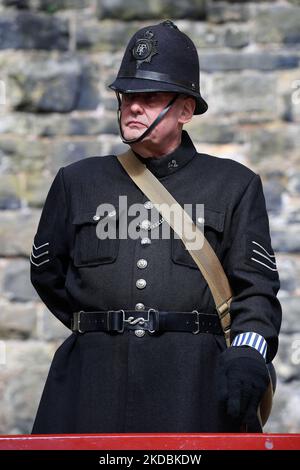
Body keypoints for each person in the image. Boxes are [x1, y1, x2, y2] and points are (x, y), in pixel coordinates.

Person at [30, 20, 282, 434]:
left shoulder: (235, 185)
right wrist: (103, 328)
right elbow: (48, 275)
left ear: (185, 110)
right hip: (91, 385)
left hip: (194, 384)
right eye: (127, 96)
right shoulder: (75, 182)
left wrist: (248, 354)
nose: (133, 107)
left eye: (149, 97)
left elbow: (256, 290)